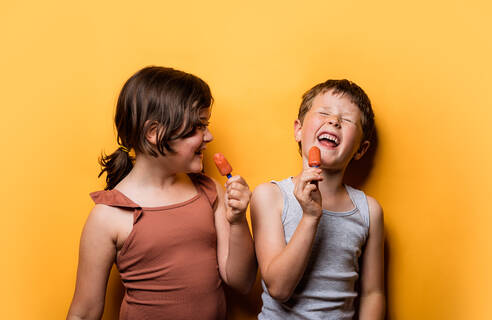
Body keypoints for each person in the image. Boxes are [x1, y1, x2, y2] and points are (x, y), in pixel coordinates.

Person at [67, 66, 257, 320]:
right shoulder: (108, 215)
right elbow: (84, 312)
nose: (209, 136)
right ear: (154, 133)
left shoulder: (210, 192)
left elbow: (241, 281)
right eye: (199, 126)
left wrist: (238, 221)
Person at [251, 79, 385, 319]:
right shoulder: (269, 196)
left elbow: (372, 293)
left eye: (347, 120)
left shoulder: (369, 211)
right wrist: (311, 218)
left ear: (361, 149)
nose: (334, 121)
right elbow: (279, 289)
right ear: (298, 130)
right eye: (324, 113)